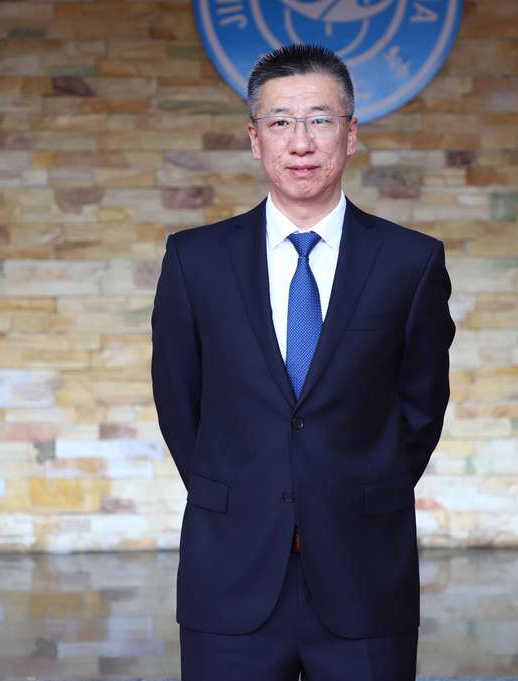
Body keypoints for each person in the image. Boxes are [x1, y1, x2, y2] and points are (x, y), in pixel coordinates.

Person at [151, 43, 455, 681]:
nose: (301, 141)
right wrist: (242, 492)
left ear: (351, 134)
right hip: (230, 572)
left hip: (364, 572)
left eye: (319, 120)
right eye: (281, 121)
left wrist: (357, 491)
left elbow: (422, 407)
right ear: (254, 139)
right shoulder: (195, 261)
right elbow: (180, 402)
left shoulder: (410, 262)